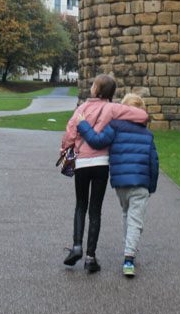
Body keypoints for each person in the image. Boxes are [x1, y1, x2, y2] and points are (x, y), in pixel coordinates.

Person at [60, 74, 148, 273]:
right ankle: (90, 257)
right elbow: (142, 116)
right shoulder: (113, 109)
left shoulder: (81, 109)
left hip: (82, 162)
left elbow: (69, 135)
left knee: (80, 205)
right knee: (95, 210)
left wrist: (65, 151)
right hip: (101, 163)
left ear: (95, 90)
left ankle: (76, 246)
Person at [76, 93, 158, 278]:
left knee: (127, 214)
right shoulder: (147, 134)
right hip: (141, 182)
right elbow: (154, 161)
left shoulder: (115, 127)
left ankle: (129, 249)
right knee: (135, 220)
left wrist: (83, 126)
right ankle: (129, 257)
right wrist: (151, 186)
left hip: (121, 183)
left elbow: (97, 141)